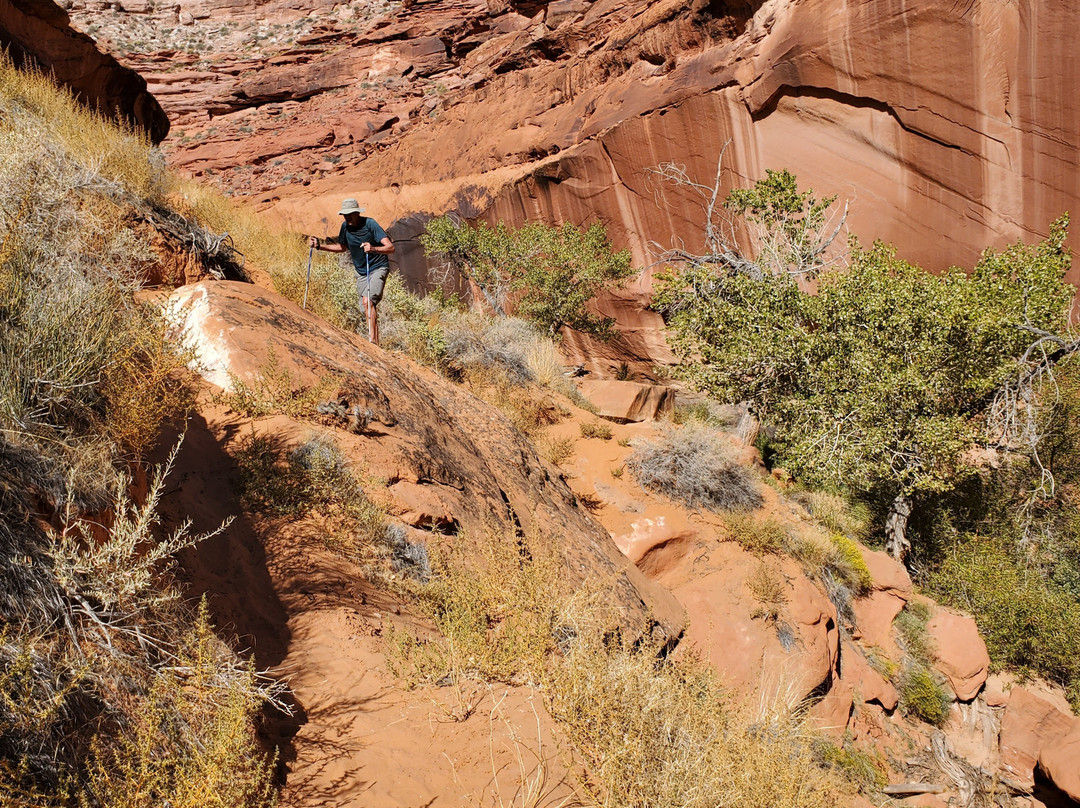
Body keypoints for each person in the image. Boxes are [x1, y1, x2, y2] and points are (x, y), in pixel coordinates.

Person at [309, 198, 395, 345]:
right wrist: (319, 246)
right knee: (366, 304)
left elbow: (391, 248)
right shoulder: (345, 227)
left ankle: (373, 342)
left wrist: (373, 249)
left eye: (350, 214)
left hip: (377, 267)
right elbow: (342, 247)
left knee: (368, 302)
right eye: (344, 214)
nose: (347, 217)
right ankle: (375, 341)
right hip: (361, 271)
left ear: (357, 213)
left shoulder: (370, 224)